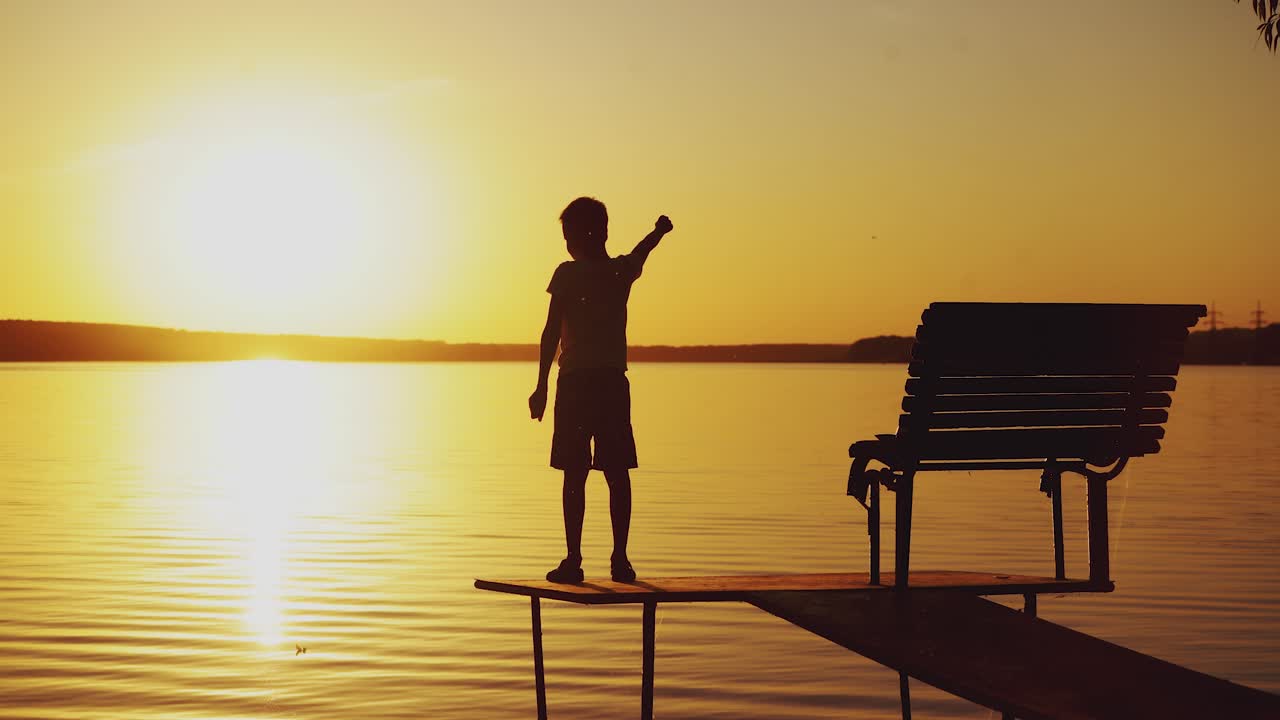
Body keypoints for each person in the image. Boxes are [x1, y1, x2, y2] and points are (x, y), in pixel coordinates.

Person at [528, 196, 674, 583]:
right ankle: (614, 559)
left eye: (569, 235)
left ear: (592, 233)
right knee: (612, 471)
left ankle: (581, 559)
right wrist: (658, 231)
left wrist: (542, 385)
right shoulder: (619, 271)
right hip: (607, 383)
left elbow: (549, 333)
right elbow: (643, 251)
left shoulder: (569, 274)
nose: (567, 243)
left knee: (583, 473)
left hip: (579, 384)